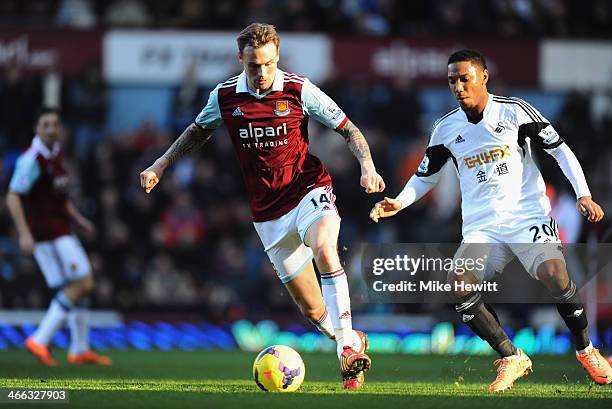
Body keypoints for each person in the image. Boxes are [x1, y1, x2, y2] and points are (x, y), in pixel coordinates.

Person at [140, 23, 385, 390]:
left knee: (324, 248)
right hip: (268, 213)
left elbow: (349, 129)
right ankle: (349, 339)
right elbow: (196, 131)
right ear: (240, 60)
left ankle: (347, 351)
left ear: (277, 58)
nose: (262, 73)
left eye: (268, 64)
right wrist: (161, 164)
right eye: (254, 66)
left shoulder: (298, 89)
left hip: (308, 189)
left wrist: (368, 166)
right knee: (313, 310)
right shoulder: (225, 97)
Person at [369, 49, 612, 391]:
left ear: (483, 77)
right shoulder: (445, 128)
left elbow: (560, 149)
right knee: (458, 285)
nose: (458, 86)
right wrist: (400, 201)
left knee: (555, 276)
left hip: (526, 216)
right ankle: (511, 357)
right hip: (482, 227)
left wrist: (583, 193)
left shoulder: (514, 112)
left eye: (464, 78)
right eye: (452, 80)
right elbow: (426, 174)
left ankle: (586, 349)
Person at [6, 107, 111, 366]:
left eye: (56, 124)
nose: (53, 129)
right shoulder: (31, 159)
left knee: (78, 291)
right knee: (83, 283)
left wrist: (78, 219)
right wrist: (24, 233)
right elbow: (12, 196)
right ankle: (40, 339)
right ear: (37, 129)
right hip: (48, 234)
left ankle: (78, 349)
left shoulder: (56, 155)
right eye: (47, 124)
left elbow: (58, 198)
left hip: (61, 228)